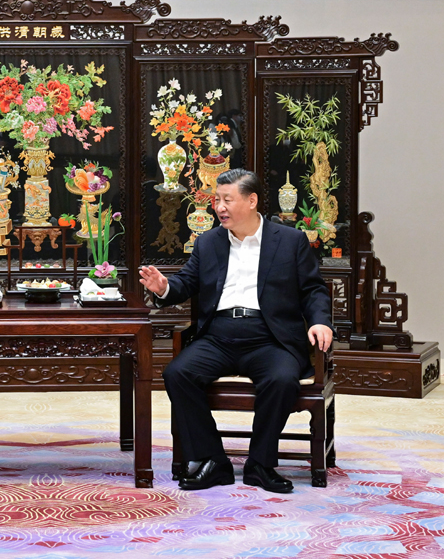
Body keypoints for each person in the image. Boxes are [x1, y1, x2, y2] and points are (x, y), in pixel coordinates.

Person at [139, 169, 332, 494]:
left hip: (270, 337)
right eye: (217, 200)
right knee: (178, 374)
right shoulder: (208, 242)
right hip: (219, 336)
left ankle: (260, 464)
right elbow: (186, 282)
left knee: (282, 379)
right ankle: (213, 460)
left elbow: (313, 289)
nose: (220, 207)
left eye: (227, 200)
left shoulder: (290, 240)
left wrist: (320, 321)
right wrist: (164, 287)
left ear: (251, 200)